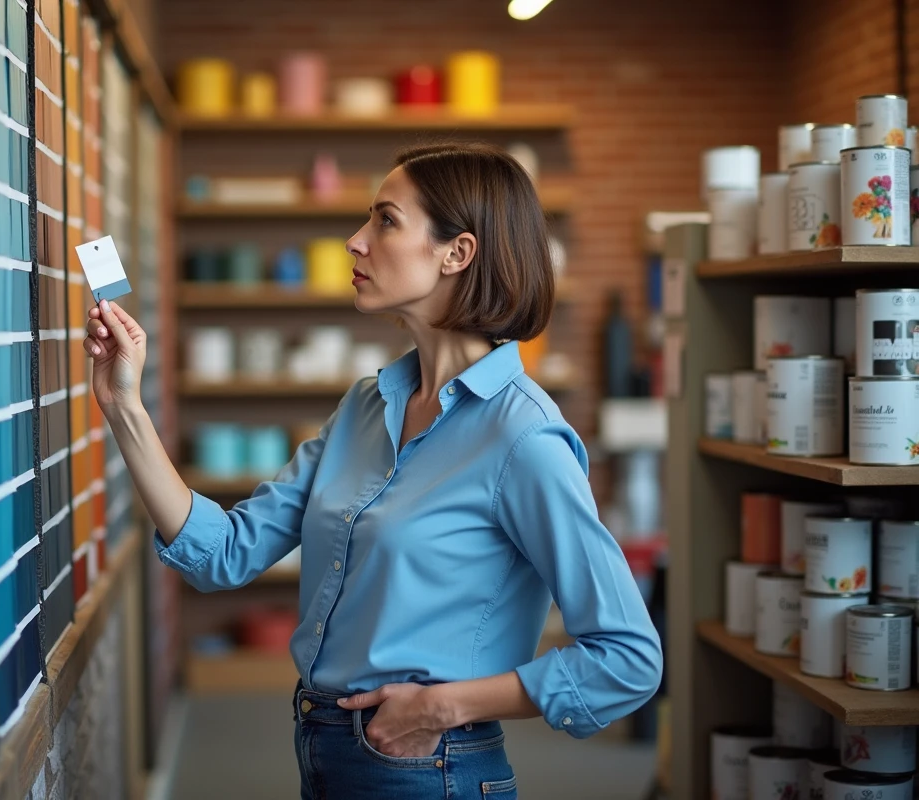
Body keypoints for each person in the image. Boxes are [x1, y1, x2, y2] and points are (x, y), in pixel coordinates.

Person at [83, 142, 663, 799]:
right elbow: (225, 554)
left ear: (457, 253)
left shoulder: (522, 437)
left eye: (385, 221)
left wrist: (442, 707)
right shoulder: (366, 406)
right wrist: (124, 405)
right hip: (326, 752)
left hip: (430, 767)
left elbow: (627, 659)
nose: (355, 242)